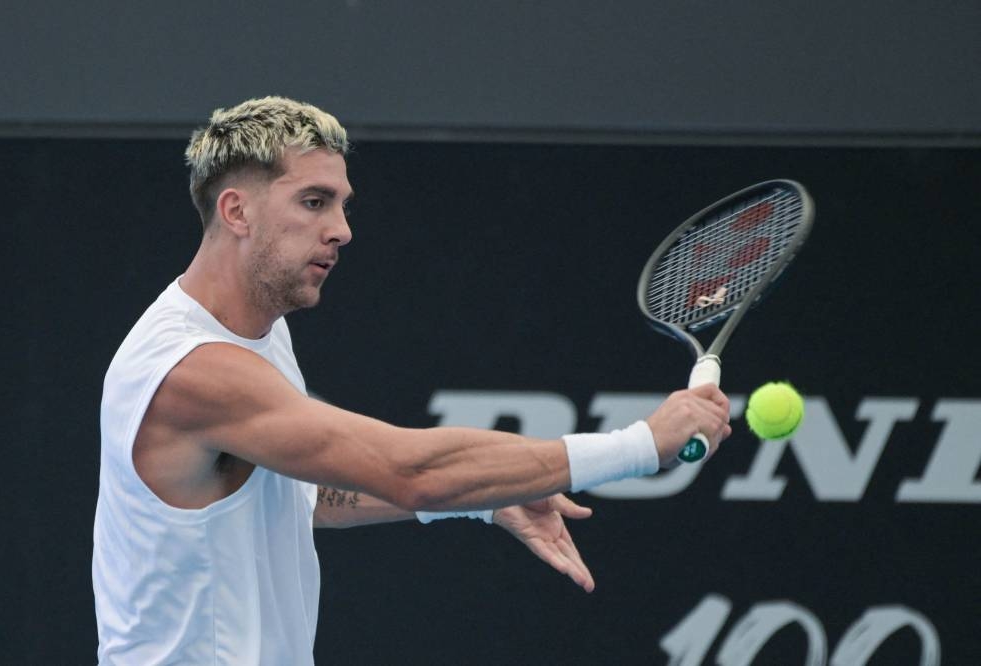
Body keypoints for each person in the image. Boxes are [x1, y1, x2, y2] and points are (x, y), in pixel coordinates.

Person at [92, 96, 732, 665]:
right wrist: (642, 445)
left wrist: (485, 495)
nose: (341, 229)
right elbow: (412, 471)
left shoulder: (259, 332)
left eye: (341, 205)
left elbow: (304, 494)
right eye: (313, 202)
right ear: (236, 210)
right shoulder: (195, 369)